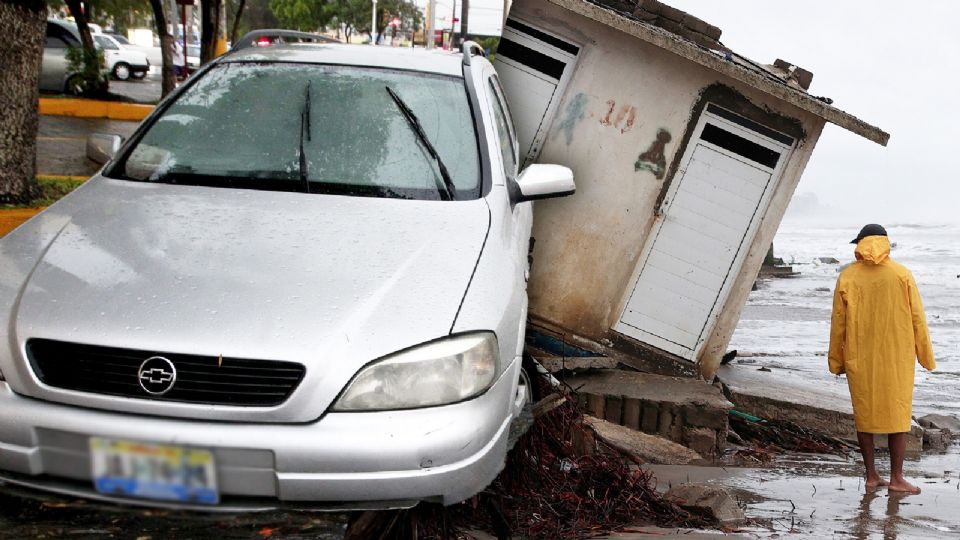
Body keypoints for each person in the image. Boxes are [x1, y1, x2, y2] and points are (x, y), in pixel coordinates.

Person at [828, 224, 936, 493]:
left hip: (859, 355)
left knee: (864, 415)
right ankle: (897, 478)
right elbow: (918, 319)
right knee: (898, 415)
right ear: (886, 243)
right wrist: (926, 357)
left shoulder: (848, 277)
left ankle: (872, 476)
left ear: (860, 244)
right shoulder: (902, 274)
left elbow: (838, 324)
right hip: (896, 356)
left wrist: (836, 361)